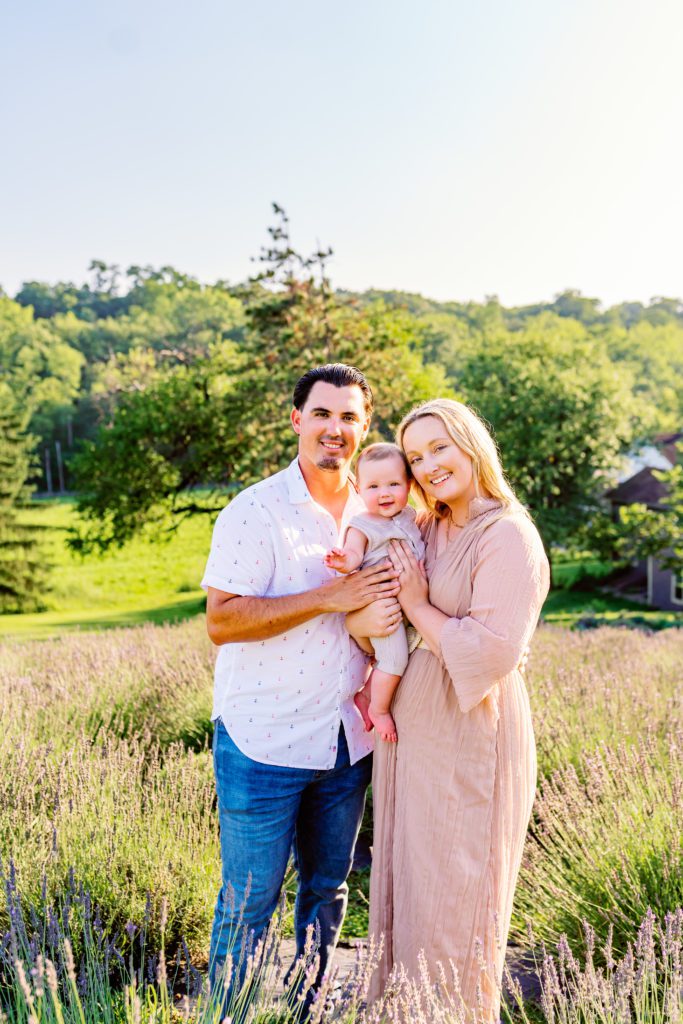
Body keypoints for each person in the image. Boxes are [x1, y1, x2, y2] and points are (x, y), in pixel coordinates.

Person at [200, 363, 401, 1013]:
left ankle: (304, 1008)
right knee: (249, 903)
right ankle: (227, 1014)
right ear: (296, 420)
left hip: (346, 743)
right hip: (263, 743)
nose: (334, 429)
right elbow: (223, 620)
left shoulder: (381, 508)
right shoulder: (254, 511)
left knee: (327, 889)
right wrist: (330, 596)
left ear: (364, 426)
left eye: (348, 417)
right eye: (321, 414)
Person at [347, 398, 550, 1021]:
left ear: (471, 445)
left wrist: (415, 604)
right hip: (414, 734)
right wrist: (369, 615)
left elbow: (491, 653)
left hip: (471, 735)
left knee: (453, 900)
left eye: (440, 448)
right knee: (409, 891)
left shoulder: (508, 535)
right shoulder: (427, 527)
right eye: (416, 457)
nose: (429, 465)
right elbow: (372, 607)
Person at [324, 442, 425, 743]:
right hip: (383, 609)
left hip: (406, 603)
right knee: (394, 660)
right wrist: (344, 561)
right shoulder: (362, 524)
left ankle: (368, 693)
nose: (384, 493)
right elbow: (354, 554)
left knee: (404, 652)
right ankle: (377, 708)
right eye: (373, 486)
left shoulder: (410, 515)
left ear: (409, 484)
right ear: (359, 489)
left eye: (394, 484)